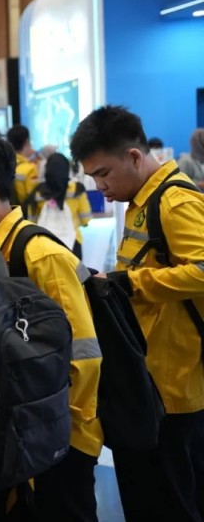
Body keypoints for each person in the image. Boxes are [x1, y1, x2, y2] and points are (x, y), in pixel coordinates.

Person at [0, 130, 103, 521]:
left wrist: (55, 433)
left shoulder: (39, 254)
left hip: (56, 441)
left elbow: (84, 357)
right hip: (13, 438)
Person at [71, 105, 204, 522]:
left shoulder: (174, 202)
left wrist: (131, 284)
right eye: (92, 177)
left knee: (172, 503)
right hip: (149, 380)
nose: (100, 186)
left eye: (104, 174)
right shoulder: (141, 201)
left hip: (175, 389)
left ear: (133, 156)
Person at [23, 153, 92, 259]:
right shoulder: (77, 190)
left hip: (45, 245)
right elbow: (85, 219)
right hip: (73, 244)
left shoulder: (37, 192)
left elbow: (32, 221)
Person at [7, 124, 38, 205]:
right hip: (23, 212)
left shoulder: (5, 165)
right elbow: (35, 199)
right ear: (27, 142)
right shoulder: (30, 169)